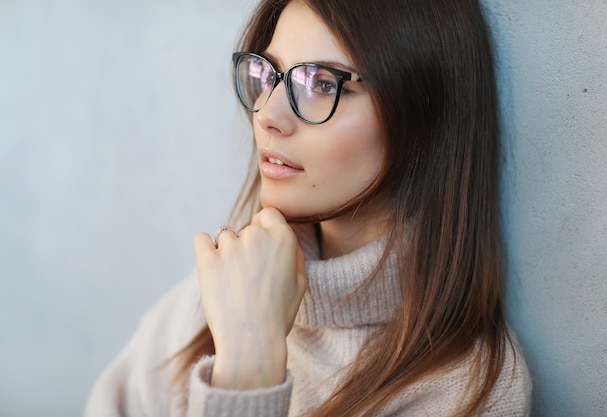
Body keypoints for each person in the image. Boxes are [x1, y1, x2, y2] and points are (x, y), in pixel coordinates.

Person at [85, 0, 532, 415]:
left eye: (320, 82)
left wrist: (247, 374)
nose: (267, 115)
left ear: (423, 114)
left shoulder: (471, 387)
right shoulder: (221, 293)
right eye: (271, 75)